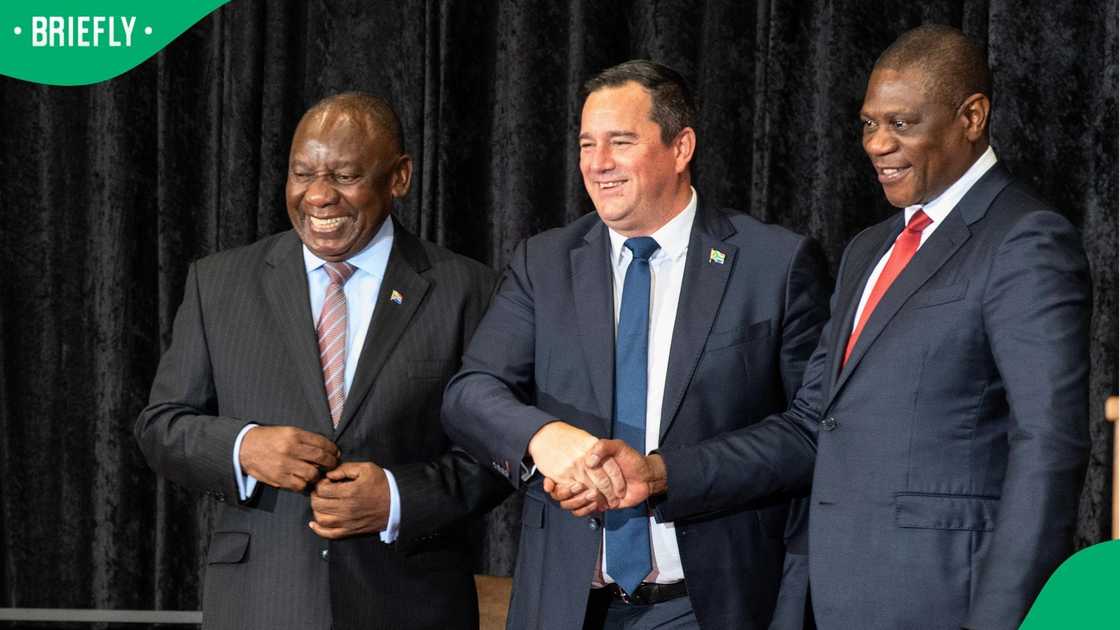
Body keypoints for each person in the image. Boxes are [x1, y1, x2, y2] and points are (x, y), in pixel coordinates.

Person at [568, 25, 1091, 630]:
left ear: (972, 117)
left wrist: (1006, 617)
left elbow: (1048, 448)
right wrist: (659, 473)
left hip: (945, 601)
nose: (876, 144)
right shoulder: (870, 249)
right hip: (828, 595)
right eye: (869, 124)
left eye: (902, 124)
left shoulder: (1024, 239)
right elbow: (811, 426)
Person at [442, 60, 832, 629]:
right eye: (586, 144)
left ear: (681, 148)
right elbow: (470, 392)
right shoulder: (544, 262)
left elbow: (810, 430)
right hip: (567, 606)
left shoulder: (773, 264)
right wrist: (545, 438)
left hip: (709, 603)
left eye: (620, 142)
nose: (598, 165)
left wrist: (662, 474)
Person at [135, 92, 509, 630]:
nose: (317, 196)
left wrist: (398, 497)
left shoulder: (468, 289)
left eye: (345, 176)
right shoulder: (218, 284)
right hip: (262, 601)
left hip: (409, 602)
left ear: (399, 177)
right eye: (301, 173)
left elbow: (498, 453)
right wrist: (244, 448)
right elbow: (160, 425)